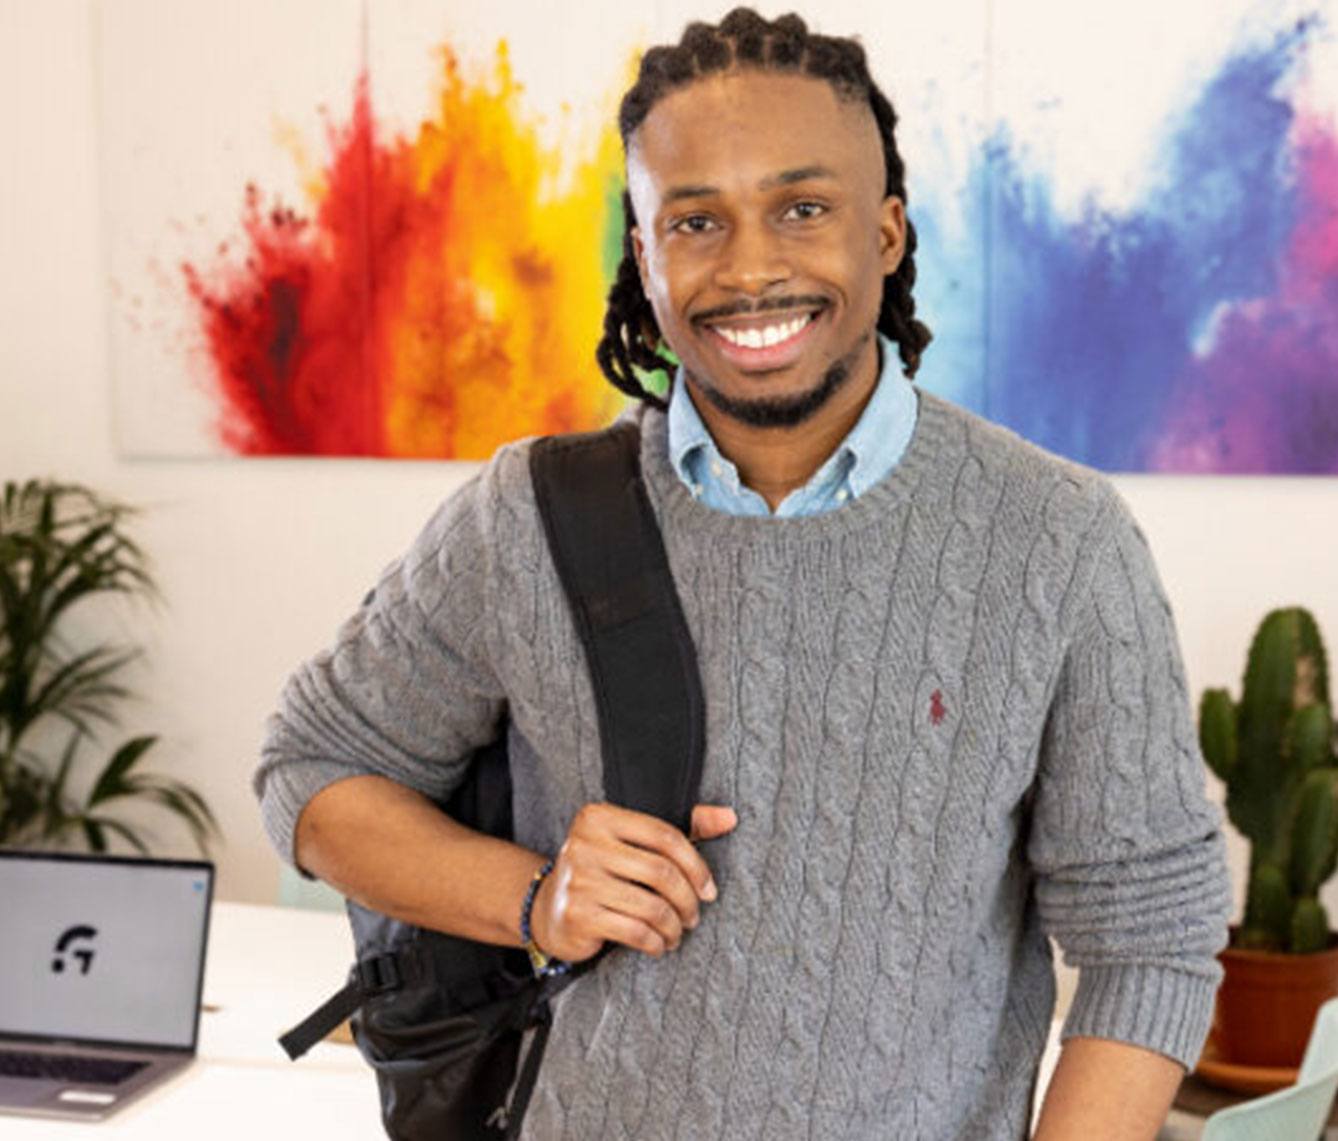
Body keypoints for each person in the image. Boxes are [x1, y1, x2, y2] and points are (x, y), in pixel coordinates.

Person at [254, 9, 1232, 1138]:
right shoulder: (526, 516)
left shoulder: (1060, 539)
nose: (752, 267)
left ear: (887, 232)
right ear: (645, 257)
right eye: (695, 221)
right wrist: (532, 896)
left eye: (802, 208)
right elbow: (314, 770)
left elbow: (1149, 941)